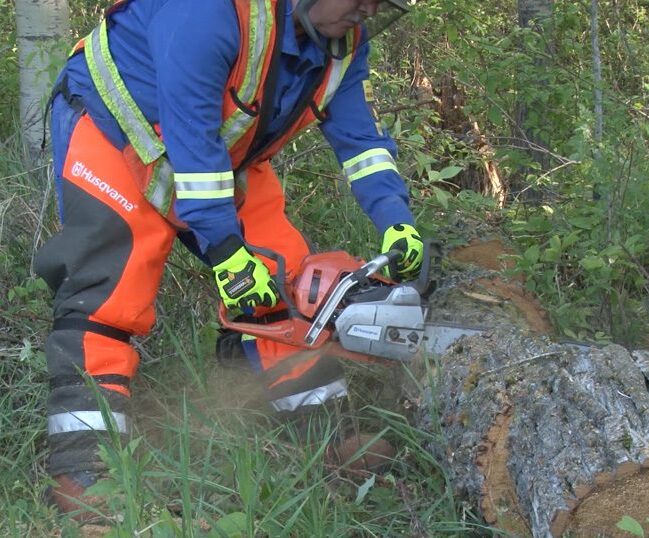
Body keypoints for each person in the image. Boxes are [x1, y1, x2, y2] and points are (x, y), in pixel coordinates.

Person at [34, 0, 424, 520]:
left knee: (286, 278)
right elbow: (190, 135)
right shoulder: (208, 10)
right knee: (108, 293)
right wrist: (224, 249)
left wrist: (395, 219)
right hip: (117, 127)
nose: (367, 10)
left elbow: (360, 143)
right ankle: (84, 471)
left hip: (217, 153)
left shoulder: (341, 44)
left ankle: (320, 426)